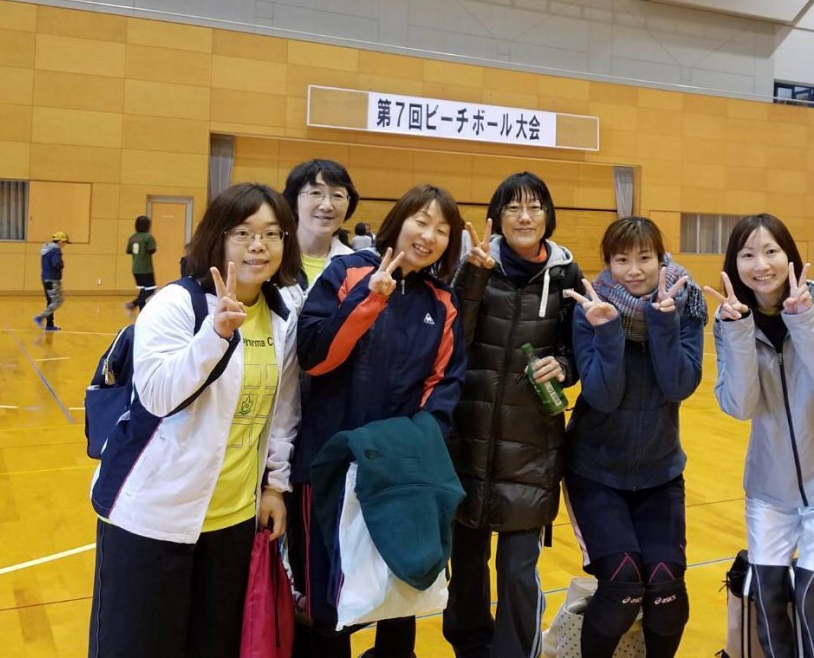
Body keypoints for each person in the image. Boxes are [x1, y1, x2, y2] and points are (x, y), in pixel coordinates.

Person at [87, 183, 302, 658]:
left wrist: (274, 487)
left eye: (271, 234)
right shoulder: (175, 304)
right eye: (243, 233)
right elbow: (158, 396)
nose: (258, 246)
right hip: (152, 516)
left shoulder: (282, 317)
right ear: (217, 238)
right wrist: (215, 335)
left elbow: (282, 413)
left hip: (232, 522)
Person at [288, 184, 467, 658]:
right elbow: (315, 357)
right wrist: (368, 301)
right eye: (421, 221)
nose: (428, 236)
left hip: (398, 472)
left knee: (399, 592)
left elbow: (444, 384)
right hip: (328, 464)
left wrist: (413, 445)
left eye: (442, 230)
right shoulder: (346, 272)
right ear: (399, 220)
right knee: (326, 599)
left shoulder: (442, 302)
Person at [707, 214, 814, 658]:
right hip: (770, 485)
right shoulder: (730, 320)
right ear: (734, 263)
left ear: (790, 256)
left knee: (810, 598)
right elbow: (740, 406)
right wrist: (737, 331)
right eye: (748, 254)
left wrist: (804, 321)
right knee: (767, 599)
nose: (761, 265)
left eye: (771, 251)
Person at [443, 172, 583, 658]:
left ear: (548, 215)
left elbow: (575, 351)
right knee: (466, 564)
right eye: (513, 208)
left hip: (531, 445)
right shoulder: (475, 265)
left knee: (518, 569)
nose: (525, 217)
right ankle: (469, 647)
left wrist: (562, 366)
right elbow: (451, 341)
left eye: (534, 207)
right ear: (497, 217)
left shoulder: (565, 274)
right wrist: (474, 277)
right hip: (469, 437)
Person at [562, 216, 704, 658]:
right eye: (621, 260)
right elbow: (602, 396)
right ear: (608, 263)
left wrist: (664, 323)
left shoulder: (685, 304)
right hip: (596, 473)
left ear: (661, 259)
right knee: (623, 585)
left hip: (661, 473)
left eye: (645, 258)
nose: (635, 270)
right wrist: (607, 331)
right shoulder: (591, 307)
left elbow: (679, 385)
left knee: (666, 589)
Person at [282, 159, 360, 303]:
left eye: (337, 196)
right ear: (294, 202)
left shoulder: (355, 265)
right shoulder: (270, 255)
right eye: (316, 193)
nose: (326, 206)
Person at [33, 231, 69, 332]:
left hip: (45, 278)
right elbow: (57, 263)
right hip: (53, 279)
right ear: (60, 241)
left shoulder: (46, 249)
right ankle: (40, 317)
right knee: (58, 301)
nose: (64, 245)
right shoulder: (55, 250)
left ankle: (49, 325)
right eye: (64, 242)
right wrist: (61, 265)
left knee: (51, 301)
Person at [125, 216, 159, 312]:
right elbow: (151, 250)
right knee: (151, 290)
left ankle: (141, 313)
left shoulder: (132, 237)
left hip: (135, 269)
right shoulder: (148, 237)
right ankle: (134, 304)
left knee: (143, 290)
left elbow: (128, 251)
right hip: (146, 269)